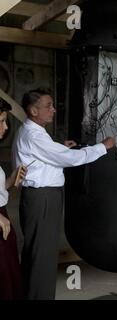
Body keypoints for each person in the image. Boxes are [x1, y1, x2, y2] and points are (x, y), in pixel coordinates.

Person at [12, 88, 116, 300]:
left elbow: (45, 156)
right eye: (48, 106)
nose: (53, 110)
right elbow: (70, 159)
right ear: (33, 110)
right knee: (43, 256)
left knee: (36, 252)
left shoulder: (33, 131)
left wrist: (58, 147)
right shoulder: (34, 135)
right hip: (43, 199)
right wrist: (102, 147)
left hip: (40, 197)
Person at [0, 100, 27, 300]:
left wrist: (12, 178)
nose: (6, 127)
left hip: (3, 217)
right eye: (1, 121)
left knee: (9, 276)